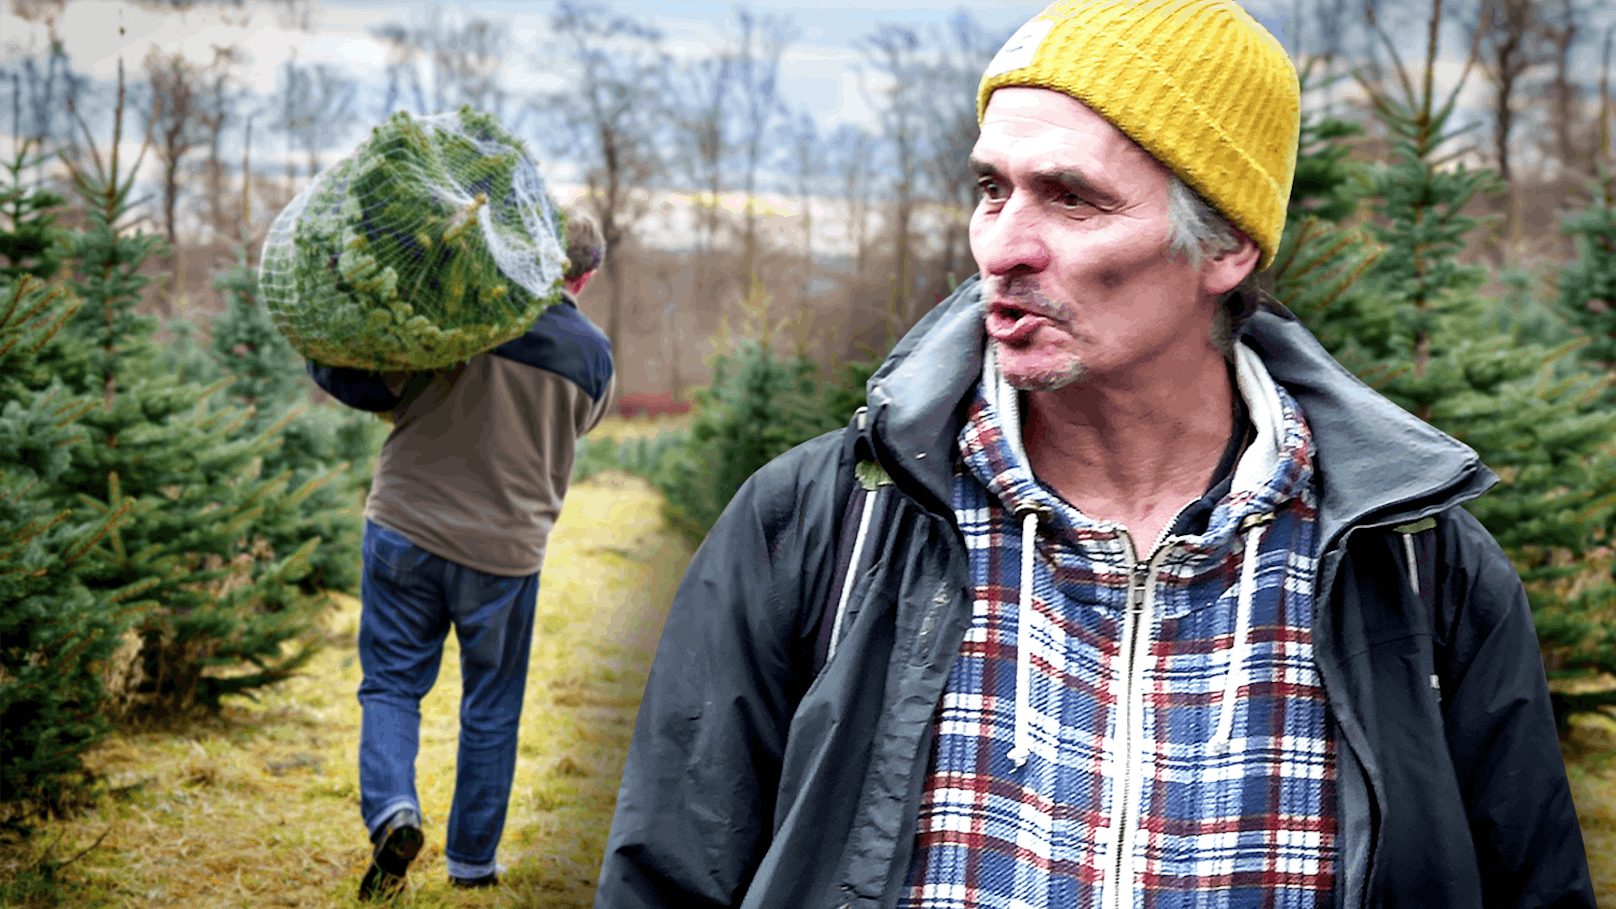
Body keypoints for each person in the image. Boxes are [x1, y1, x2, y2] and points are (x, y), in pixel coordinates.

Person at [593, 1, 1596, 907]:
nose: (1001, 246)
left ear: (1222, 247)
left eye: (1069, 198)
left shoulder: (1419, 568)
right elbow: (669, 877)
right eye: (991, 188)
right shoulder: (821, 527)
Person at [308, 207, 615, 899]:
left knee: (391, 683)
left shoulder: (466, 316)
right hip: (504, 555)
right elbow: (579, 426)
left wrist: (319, 343)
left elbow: (368, 386)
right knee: (492, 705)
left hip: (406, 527)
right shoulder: (595, 357)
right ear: (586, 276)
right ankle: (472, 863)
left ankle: (392, 809)